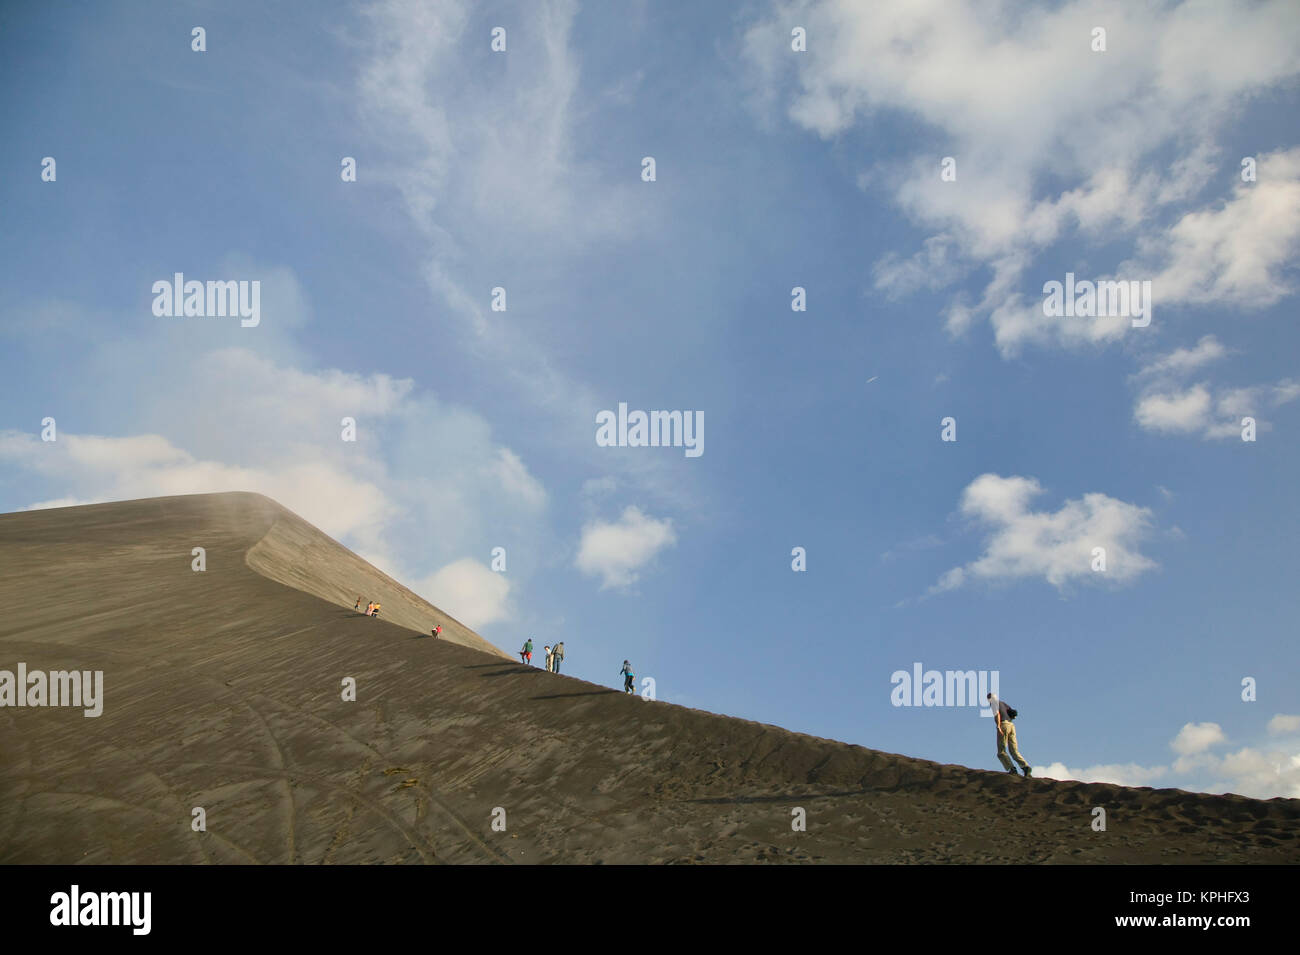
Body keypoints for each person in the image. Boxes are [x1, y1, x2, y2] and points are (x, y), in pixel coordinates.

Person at [988, 692, 1031, 776]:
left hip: (1003, 725)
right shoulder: (1003, 703)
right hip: (1011, 725)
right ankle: (1025, 767)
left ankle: (1012, 769)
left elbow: (997, 714)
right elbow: (1013, 714)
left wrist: (998, 726)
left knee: (1001, 751)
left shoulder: (993, 703)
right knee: (1014, 750)